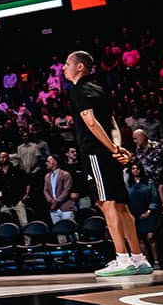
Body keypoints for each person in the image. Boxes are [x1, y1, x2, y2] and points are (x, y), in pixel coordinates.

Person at [64, 50, 151, 277]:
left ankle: (122, 258)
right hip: (109, 153)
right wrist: (118, 148)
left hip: (94, 153)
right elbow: (113, 123)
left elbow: (91, 122)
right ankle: (139, 258)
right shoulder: (99, 90)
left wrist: (112, 149)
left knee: (106, 203)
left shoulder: (78, 90)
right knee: (122, 205)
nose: (64, 68)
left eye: (67, 64)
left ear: (80, 67)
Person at [43, 154, 76, 223]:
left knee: (68, 228)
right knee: (58, 228)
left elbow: (66, 190)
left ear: (55, 162)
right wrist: (50, 201)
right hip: (53, 210)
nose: (46, 163)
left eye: (48, 161)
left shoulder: (65, 174)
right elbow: (45, 190)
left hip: (65, 208)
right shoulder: (47, 176)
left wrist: (56, 201)